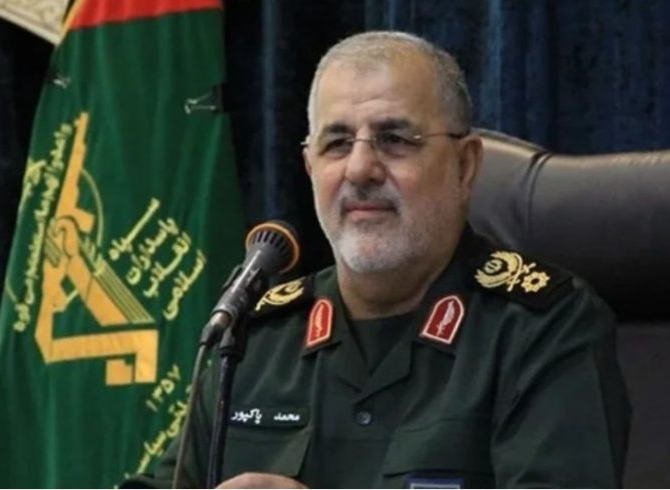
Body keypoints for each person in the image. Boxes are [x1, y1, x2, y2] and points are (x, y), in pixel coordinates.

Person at [124, 30, 630, 488]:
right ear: (310, 168)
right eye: (337, 143)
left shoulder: (543, 329)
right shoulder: (252, 341)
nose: (360, 168)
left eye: (394, 140)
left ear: (465, 166)